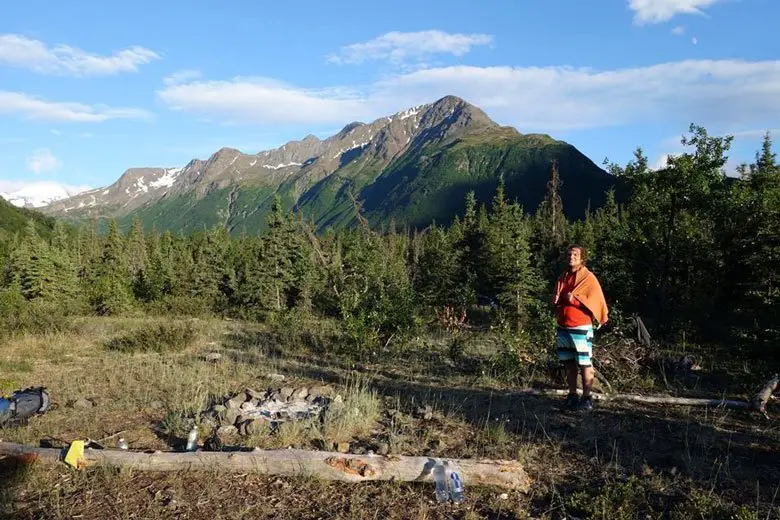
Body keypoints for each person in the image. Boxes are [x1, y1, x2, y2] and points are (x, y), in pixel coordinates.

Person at [552, 245, 608, 411]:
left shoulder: (588, 278)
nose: (571, 257)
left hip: (581, 326)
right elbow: (557, 297)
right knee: (568, 362)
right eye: (569, 254)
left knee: (584, 362)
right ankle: (572, 395)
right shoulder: (563, 277)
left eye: (575, 254)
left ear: (582, 258)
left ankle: (587, 397)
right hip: (563, 325)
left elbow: (595, 301)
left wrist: (574, 300)